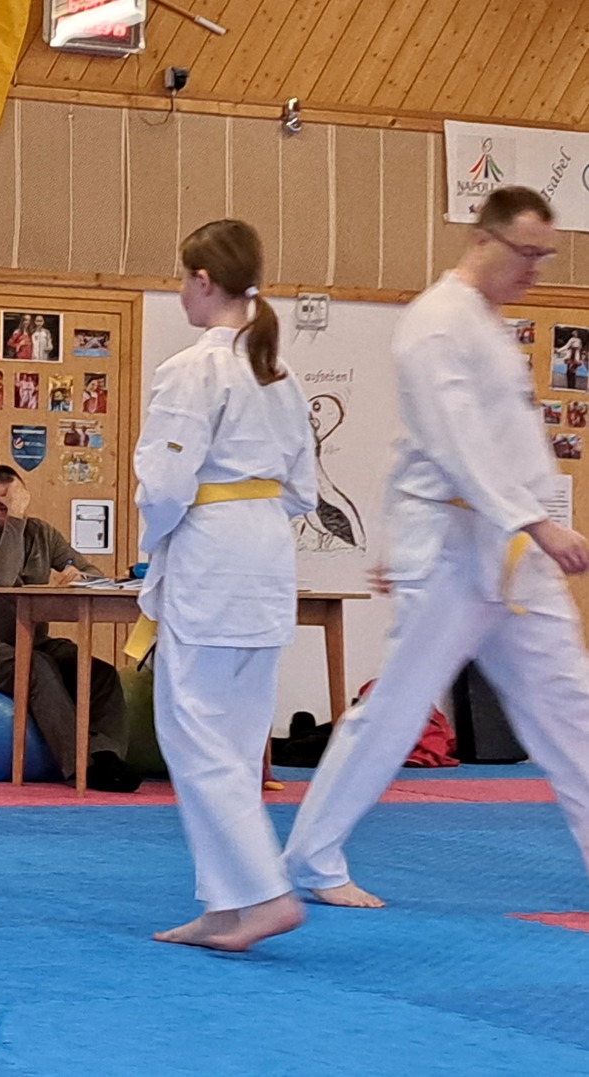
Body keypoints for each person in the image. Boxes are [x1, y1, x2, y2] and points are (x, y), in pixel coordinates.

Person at [283, 186, 589, 910]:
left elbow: (429, 447)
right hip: (454, 553)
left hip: (508, 555)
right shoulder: (434, 322)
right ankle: (312, 857)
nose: (535, 268)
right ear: (484, 239)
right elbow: (453, 443)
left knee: (570, 705)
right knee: (395, 709)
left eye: (545, 256)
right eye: (526, 252)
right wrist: (537, 522)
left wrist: (532, 522)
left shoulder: (487, 324)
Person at [133, 218, 316, 952]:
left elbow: (163, 485)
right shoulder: (280, 373)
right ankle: (224, 903)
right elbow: (302, 488)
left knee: (193, 733)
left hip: (212, 553)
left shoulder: (194, 369)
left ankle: (265, 894)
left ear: (203, 281)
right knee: (234, 742)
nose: (181, 290)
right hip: (265, 550)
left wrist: (154, 542)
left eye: (183, 278)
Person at [0, 465, 141, 792]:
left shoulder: (42, 533)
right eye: (1, 505)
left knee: (100, 672)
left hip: (36, 641)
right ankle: (81, 765)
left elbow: (92, 572)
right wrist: (15, 519)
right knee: (38, 667)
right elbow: (1, 576)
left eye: (15, 500)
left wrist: (80, 576)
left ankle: (106, 756)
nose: (9, 509)